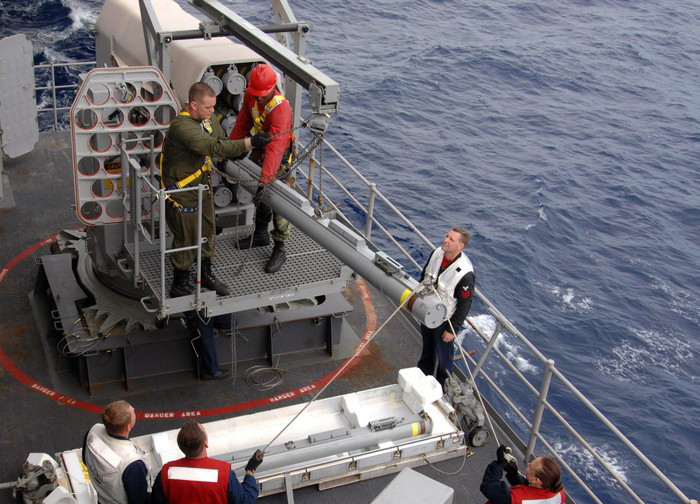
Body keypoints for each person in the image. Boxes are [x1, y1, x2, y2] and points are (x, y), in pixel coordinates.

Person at [162, 82, 272, 298]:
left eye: (213, 107)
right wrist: (249, 143)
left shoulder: (208, 119)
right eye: (208, 107)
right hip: (182, 191)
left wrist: (236, 151)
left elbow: (221, 140)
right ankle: (180, 282)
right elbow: (213, 147)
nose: (212, 111)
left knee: (207, 229)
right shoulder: (182, 127)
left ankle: (205, 273)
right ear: (193, 105)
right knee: (186, 234)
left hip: (201, 186)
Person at [229, 63, 294, 274]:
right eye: (256, 94)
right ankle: (260, 234)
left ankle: (280, 247)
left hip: (279, 158)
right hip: (260, 150)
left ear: (272, 88)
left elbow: (276, 148)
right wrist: (231, 149)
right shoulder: (252, 95)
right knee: (262, 199)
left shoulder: (281, 110)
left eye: (262, 95)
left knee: (278, 201)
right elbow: (242, 122)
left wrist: (264, 182)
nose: (259, 98)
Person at [416, 227, 475, 387]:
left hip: (444, 321)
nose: (445, 240)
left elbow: (465, 304)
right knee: (427, 349)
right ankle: (422, 379)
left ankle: (442, 387)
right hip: (428, 311)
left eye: (451, 239)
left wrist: (452, 329)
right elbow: (424, 275)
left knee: (444, 358)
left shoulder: (465, 274)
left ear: (460, 246)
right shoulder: (437, 253)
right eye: (447, 236)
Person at [151, 421, 262, 504]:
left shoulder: (166, 473)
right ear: (206, 443)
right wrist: (250, 471)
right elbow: (245, 501)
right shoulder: (224, 474)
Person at [83, 400, 153, 504]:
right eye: (133, 411)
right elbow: (139, 500)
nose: (134, 409)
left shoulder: (93, 431)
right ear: (128, 427)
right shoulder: (132, 462)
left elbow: (85, 459)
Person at [480, 445, 567, 504]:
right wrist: (513, 474)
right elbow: (530, 489)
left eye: (530, 466)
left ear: (536, 480)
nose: (528, 464)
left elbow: (488, 486)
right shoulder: (559, 494)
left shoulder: (517, 499)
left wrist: (499, 464)